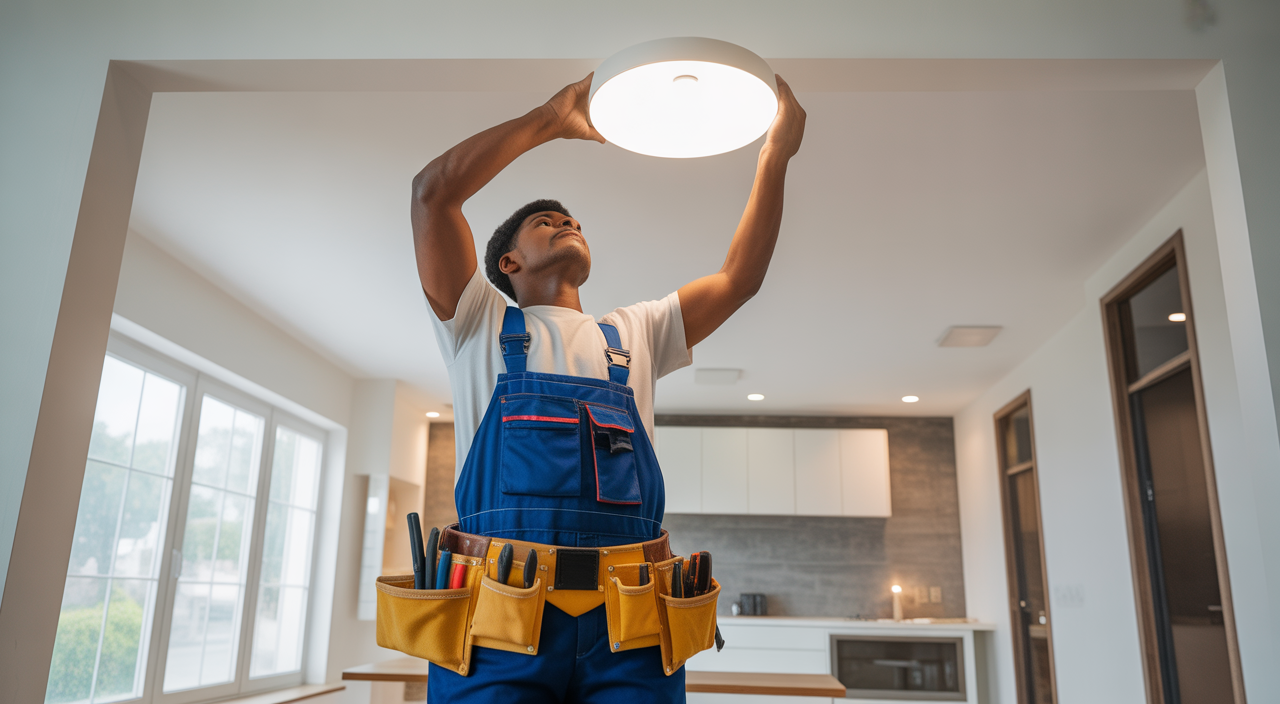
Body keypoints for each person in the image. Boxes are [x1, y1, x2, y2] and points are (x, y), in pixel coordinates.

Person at [411, 72, 805, 703]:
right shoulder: (477, 325)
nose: (567, 220)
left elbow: (739, 279)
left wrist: (775, 156)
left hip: (631, 624)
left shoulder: (636, 332)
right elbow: (433, 193)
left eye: (571, 218)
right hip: (497, 618)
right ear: (507, 263)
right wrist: (550, 117)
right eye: (546, 220)